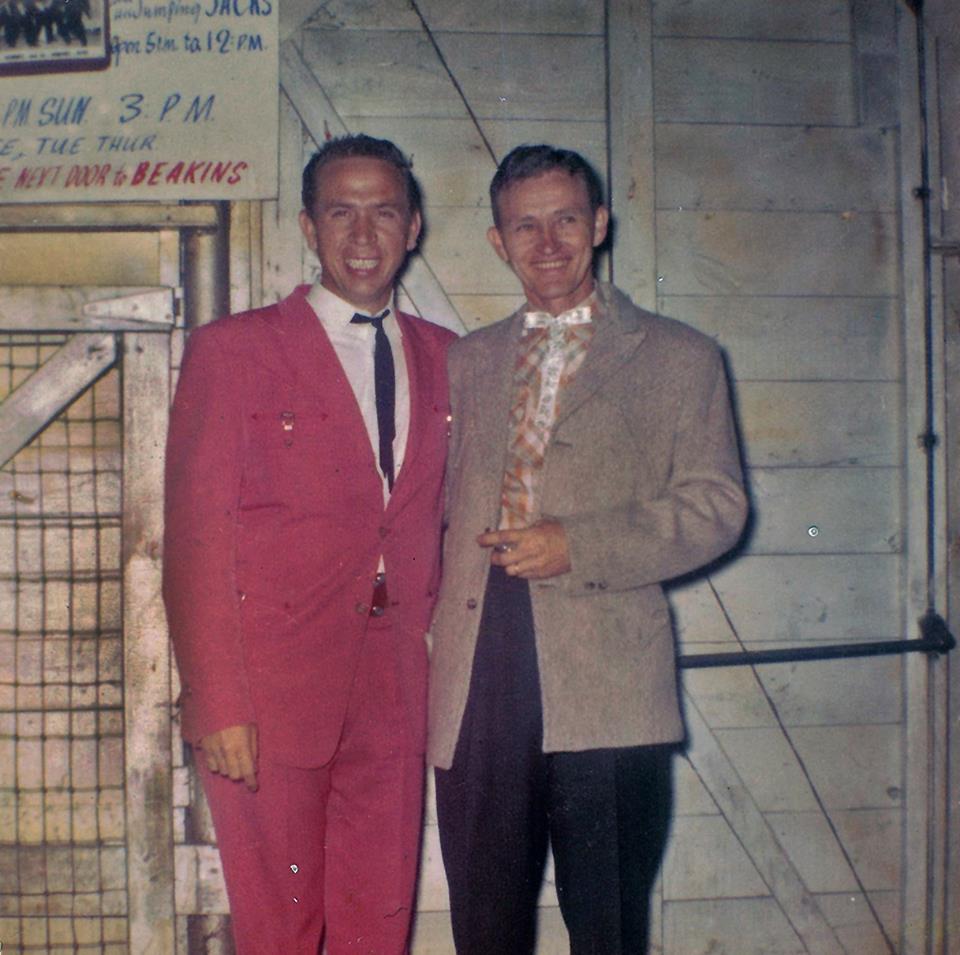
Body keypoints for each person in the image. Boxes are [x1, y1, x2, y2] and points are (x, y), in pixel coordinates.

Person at [427, 144, 748, 954]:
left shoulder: (681, 357)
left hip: (606, 678)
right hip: (477, 674)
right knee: (485, 927)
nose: (547, 241)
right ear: (498, 241)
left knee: (606, 926)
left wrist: (580, 542)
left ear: (599, 224)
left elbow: (717, 506)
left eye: (566, 218)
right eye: (524, 225)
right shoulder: (464, 360)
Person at [163, 134, 456, 955]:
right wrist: (218, 702)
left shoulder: (448, 359)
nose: (363, 235)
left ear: (415, 226)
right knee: (279, 930)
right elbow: (194, 539)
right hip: (268, 694)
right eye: (341, 212)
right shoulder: (235, 351)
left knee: (377, 926)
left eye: (384, 212)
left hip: (396, 691)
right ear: (306, 226)